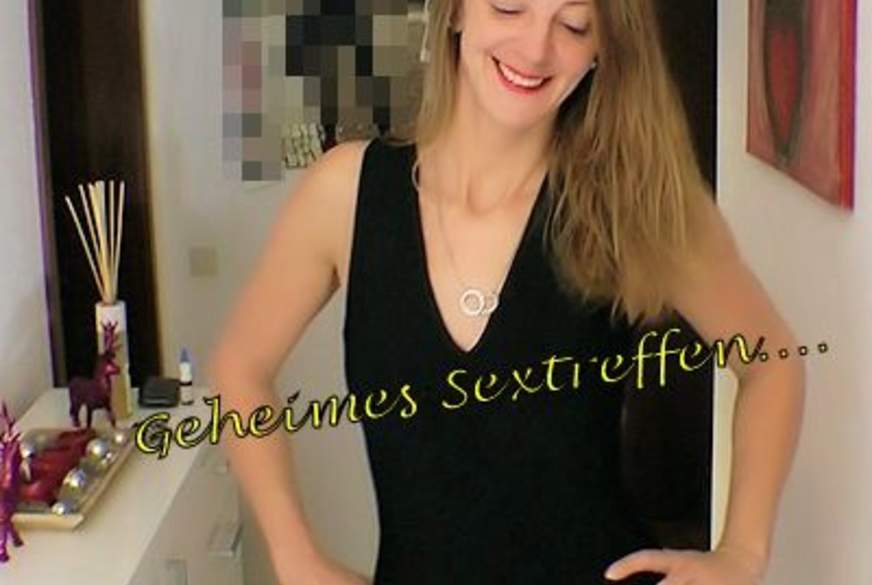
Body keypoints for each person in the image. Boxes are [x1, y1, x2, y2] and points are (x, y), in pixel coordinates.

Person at [207, 1, 806, 584]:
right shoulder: (346, 191)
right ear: (456, 11)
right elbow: (240, 366)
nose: (536, 49)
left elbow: (773, 362)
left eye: (573, 25)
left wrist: (741, 554)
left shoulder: (636, 202)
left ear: (602, 48)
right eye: (509, 9)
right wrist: (294, 557)